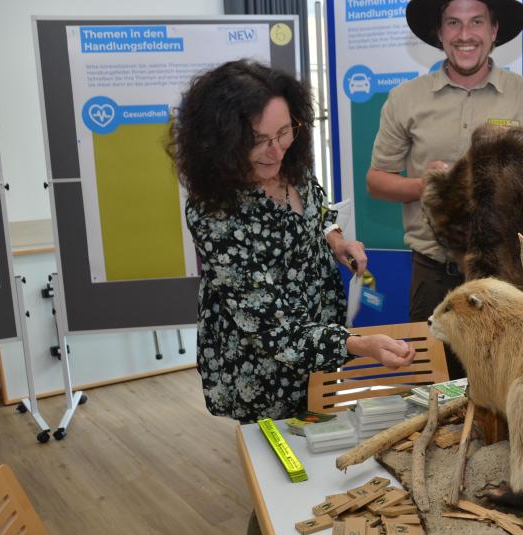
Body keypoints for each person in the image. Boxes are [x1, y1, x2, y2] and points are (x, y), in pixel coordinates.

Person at [170, 60, 416, 425]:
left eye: (285, 132)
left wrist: (335, 239)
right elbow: (273, 328)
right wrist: (358, 345)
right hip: (266, 362)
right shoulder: (215, 214)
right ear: (221, 143)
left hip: (321, 334)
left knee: (322, 431)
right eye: (258, 141)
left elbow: (315, 210)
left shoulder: (290, 164)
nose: (276, 150)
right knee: (282, 461)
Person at [367, 0, 523, 378]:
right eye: (453, 23)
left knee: (505, 386)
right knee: (432, 388)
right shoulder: (405, 99)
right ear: (439, 32)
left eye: (476, 22)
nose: (465, 35)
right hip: (433, 274)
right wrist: (427, 184)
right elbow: (377, 180)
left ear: (493, 30)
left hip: (505, 276)